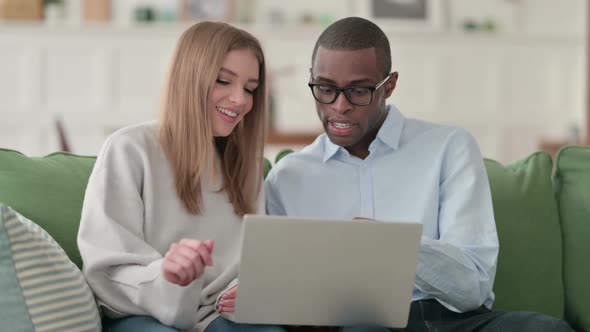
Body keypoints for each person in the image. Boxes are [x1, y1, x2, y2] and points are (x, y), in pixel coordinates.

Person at [264, 17, 574, 332]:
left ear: (390, 85)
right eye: (326, 88)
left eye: (358, 91)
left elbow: (473, 288)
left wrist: (394, 246)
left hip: (454, 322)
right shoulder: (287, 177)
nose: (339, 106)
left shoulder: (449, 147)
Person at [78, 21, 287, 332]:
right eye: (223, 81)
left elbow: (251, 264)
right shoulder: (130, 149)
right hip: (143, 314)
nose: (241, 100)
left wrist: (251, 290)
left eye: (250, 89)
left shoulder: (249, 165)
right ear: (190, 77)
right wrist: (167, 275)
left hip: (223, 316)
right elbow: (108, 268)